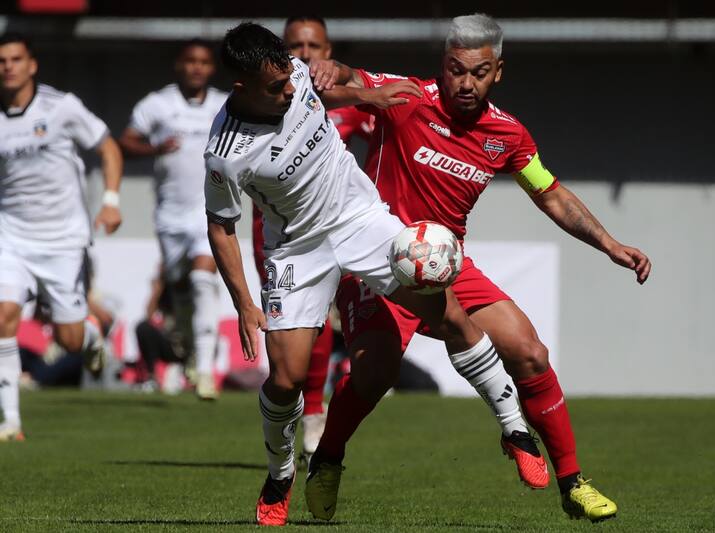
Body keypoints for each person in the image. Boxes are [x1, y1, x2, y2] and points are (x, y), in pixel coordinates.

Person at [305, 13, 652, 523]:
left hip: (446, 266)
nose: (465, 82)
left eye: (479, 72)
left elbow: (550, 193)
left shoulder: (507, 135)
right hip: (378, 260)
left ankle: (573, 482)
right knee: (374, 373)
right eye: (456, 69)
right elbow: (352, 80)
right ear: (442, 67)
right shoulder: (406, 98)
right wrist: (331, 68)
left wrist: (609, 244)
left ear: (499, 72)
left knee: (530, 352)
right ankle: (328, 458)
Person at [205, 22, 524, 526]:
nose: (290, 90)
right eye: (276, 88)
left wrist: (372, 95)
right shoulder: (225, 154)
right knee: (286, 380)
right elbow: (221, 228)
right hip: (296, 250)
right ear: (241, 87)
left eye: (290, 78)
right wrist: (245, 304)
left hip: (360, 219)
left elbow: (327, 94)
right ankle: (281, 473)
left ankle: (514, 429)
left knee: (449, 315)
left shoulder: (297, 79)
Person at [250, 15, 373, 467]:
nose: (304, 53)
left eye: (314, 45)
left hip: (345, 224)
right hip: (284, 234)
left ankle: (332, 411)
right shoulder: (268, 102)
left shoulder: (348, 103)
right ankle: (313, 416)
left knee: (355, 314)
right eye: (295, 45)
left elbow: (386, 137)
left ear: (328, 49)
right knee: (308, 327)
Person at [0, 33, 123, 441]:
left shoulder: (61, 107)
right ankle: (11, 422)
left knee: (69, 339)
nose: (8, 67)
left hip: (63, 239)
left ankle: (90, 339)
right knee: (3, 314)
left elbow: (108, 148)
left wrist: (110, 200)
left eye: (16, 59)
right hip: (11, 235)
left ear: (31, 65)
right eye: (2, 60)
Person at [119, 40, 227, 400]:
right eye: (190, 61)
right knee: (180, 289)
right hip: (169, 215)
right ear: (178, 65)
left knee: (202, 279)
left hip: (208, 210)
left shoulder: (223, 104)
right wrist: (154, 148)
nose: (196, 68)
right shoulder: (157, 104)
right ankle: (189, 348)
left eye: (203, 62)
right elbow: (126, 142)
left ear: (211, 68)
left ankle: (206, 370)